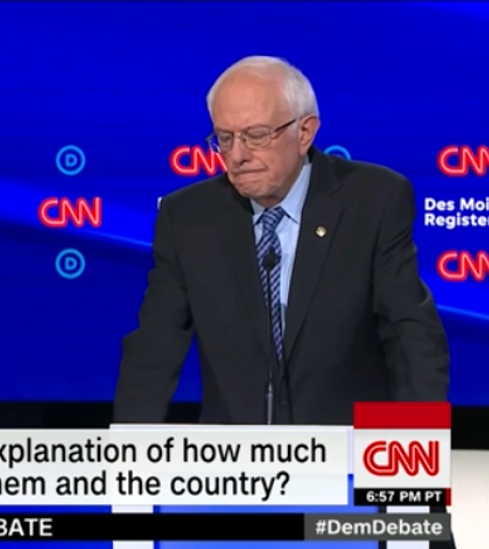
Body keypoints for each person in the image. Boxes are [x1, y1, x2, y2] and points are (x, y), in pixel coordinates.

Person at [114, 56, 450, 425]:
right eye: (225, 138)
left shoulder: (374, 200)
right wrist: (130, 448)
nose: (238, 155)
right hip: (236, 452)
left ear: (304, 132)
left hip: (349, 444)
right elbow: (155, 347)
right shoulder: (187, 217)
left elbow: (409, 334)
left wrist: (418, 441)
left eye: (256, 135)